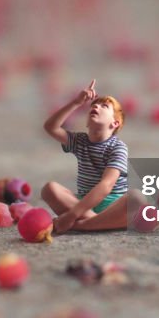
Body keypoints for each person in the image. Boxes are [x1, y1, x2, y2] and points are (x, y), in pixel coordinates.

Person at [41, 79, 129, 233]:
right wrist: (75, 103)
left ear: (114, 124)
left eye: (104, 106)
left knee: (134, 200)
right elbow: (51, 127)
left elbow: (106, 186)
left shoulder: (118, 147)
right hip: (83, 203)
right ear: (87, 122)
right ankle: (99, 223)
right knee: (49, 189)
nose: (96, 106)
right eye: (94, 105)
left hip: (112, 206)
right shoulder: (80, 141)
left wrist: (71, 216)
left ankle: (82, 224)